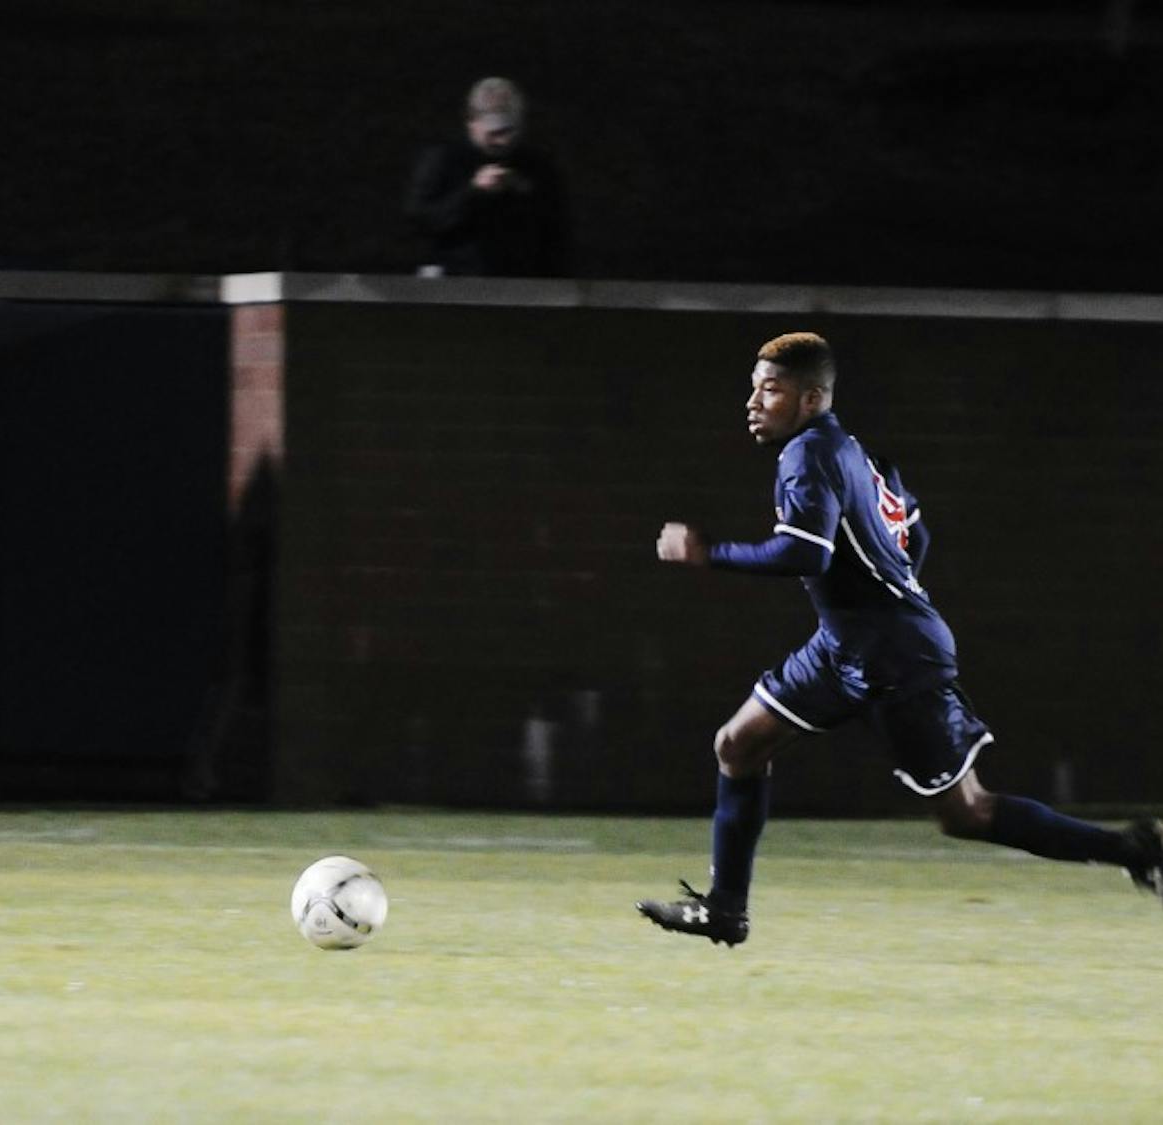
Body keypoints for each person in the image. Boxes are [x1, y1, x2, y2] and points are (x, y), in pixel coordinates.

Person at [637, 331, 1163, 947]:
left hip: (894, 655)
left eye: (770, 390)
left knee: (967, 813)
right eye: (753, 387)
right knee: (739, 744)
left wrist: (708, 554)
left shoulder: (809, 454)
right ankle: (725, 909)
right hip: (843, 647)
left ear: (810, 399)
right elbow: (913, 530)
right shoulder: (853, 452)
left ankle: (1133, 848)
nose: (754, 402)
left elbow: (804, 551)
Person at [404, 76, 572, 278]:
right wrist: (474, 191)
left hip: (519, 282)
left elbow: (556, 229)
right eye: (495, 133)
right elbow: (419, 220)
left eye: (510, 131)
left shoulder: (535, 166)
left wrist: (523, 191)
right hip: (454, 280)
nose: (504, 141)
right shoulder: (444, 160)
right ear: (471, 121)